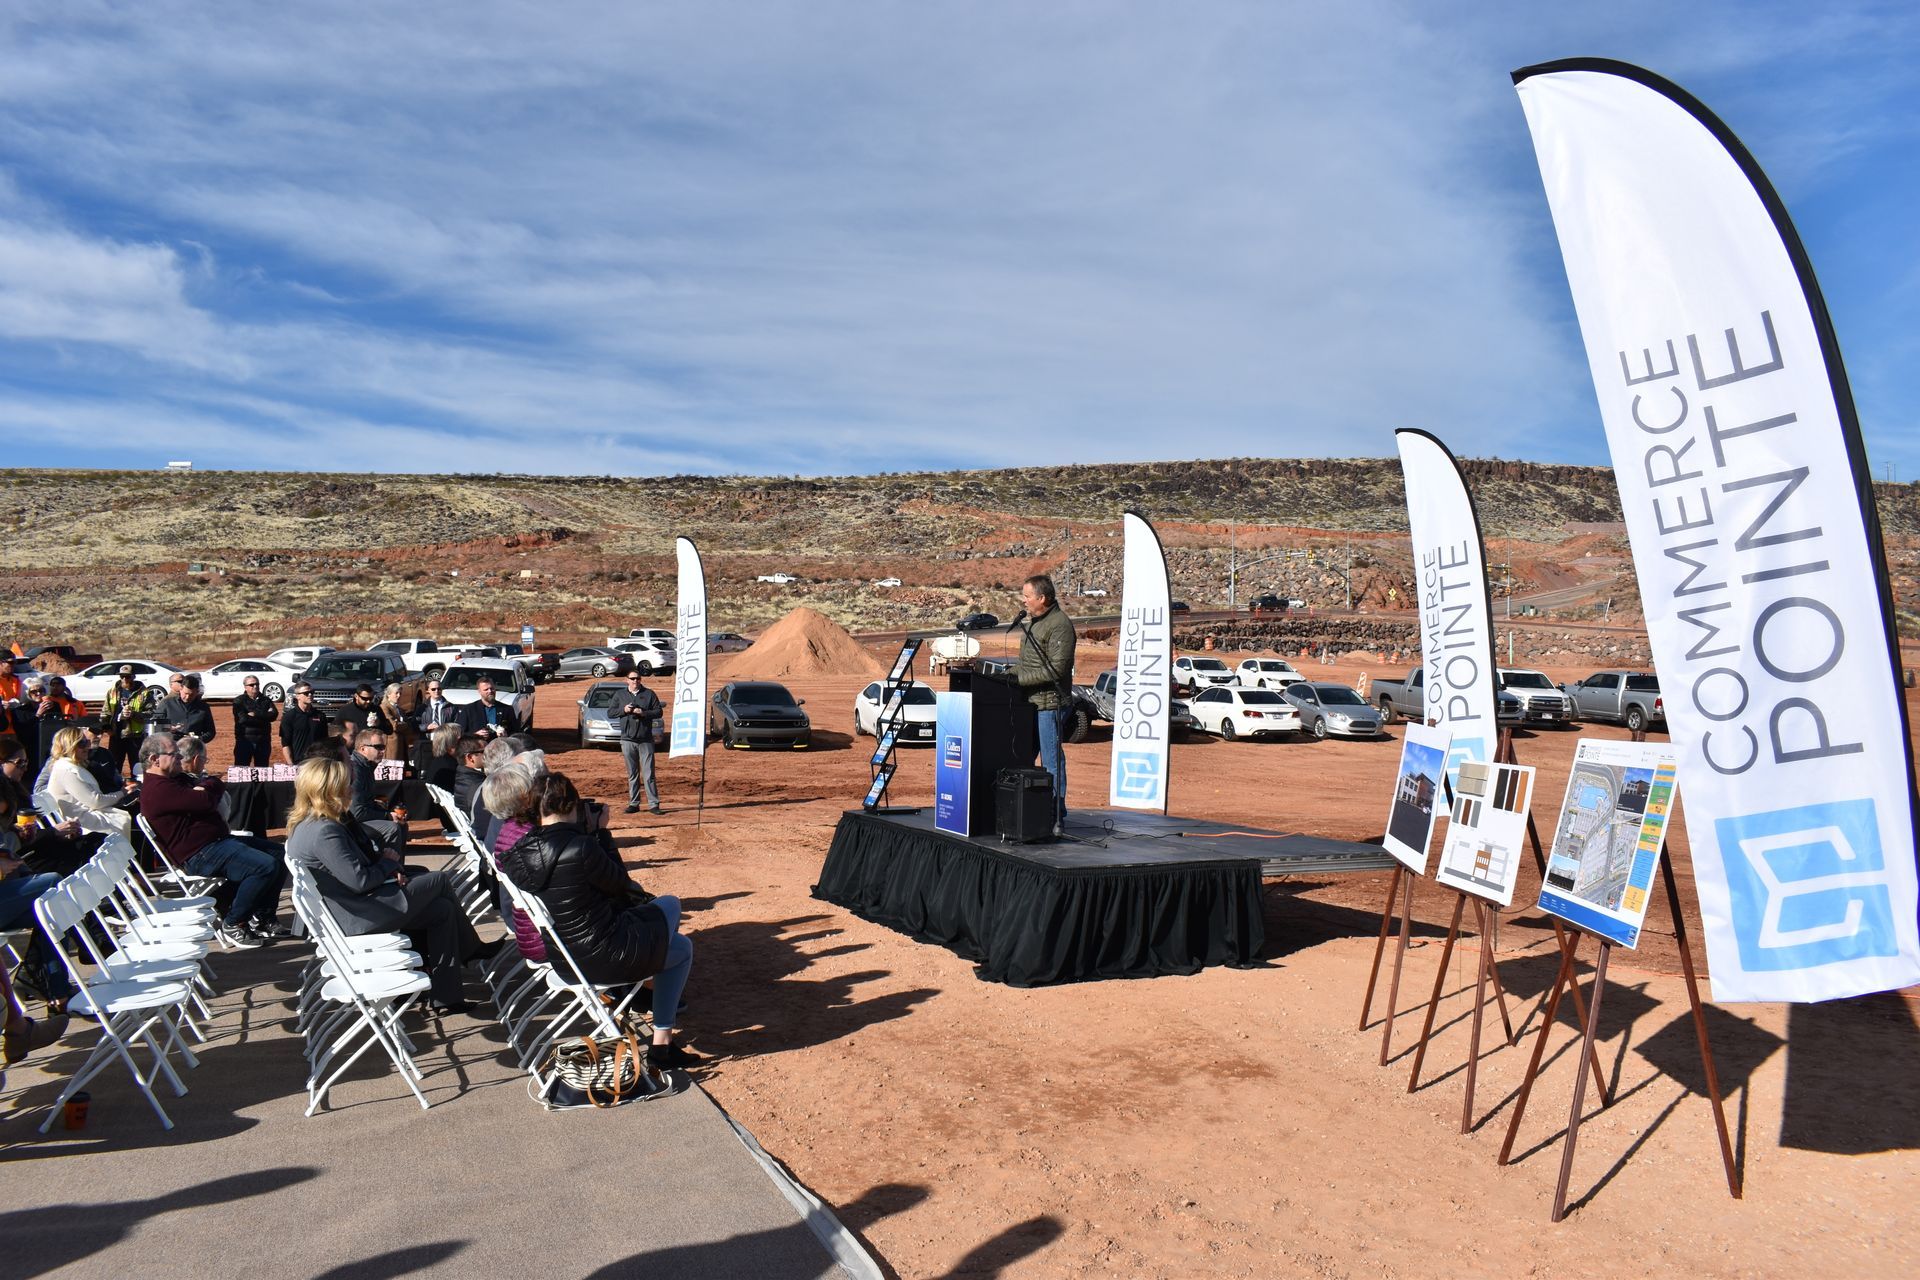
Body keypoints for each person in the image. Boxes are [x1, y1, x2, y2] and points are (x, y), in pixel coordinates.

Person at [497, 773, 696, 1069]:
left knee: (680, 947)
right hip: (604, 957)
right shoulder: (581, 847)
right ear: (572, 805)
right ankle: (648, 994)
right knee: (671, 905)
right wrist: (601, 834)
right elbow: (622, 885)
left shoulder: (519, 855)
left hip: (564, 960)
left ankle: (662, 1043)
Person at [286, 757, 497, 1013]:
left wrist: (386, 867)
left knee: (442, 910)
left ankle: (447, 997)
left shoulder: (307, 825)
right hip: (358, 915)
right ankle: (471, 949)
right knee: (439, 880)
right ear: (331, 790)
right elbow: (360, 881)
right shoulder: (324, 831)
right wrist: (387, 863)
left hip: (351, 908)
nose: (351, 788)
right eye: (346, 784)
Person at [137, 731, 287, 948]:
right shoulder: (158, 790)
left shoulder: (175, 779)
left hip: (216, 842)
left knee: (279, 854)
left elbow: (214, 783)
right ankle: (234, 922)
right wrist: (206, 789)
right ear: (154, 759)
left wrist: (207, 787)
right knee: (264, 866)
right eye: (174, 755)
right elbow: (206, 800)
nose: (180, 758)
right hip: (199, 854)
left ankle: (263, 917)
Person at [1013, 573, 1077, 836]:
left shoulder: (1060, 625)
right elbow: (1028, 664)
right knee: (1024, 758)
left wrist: (1020, 679)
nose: (1024, 600)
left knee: (1051, 760)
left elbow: (1056, 669)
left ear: (1042, 598)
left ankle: (1055, 813)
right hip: (1031, 702)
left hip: (1051, 704)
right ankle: (1031, 807)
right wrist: (1006, 675)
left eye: (1027, 596)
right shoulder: (1035, 623)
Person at [45, 725, 134, 840]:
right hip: (82, 822)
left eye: (87, 742)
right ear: (69, 746)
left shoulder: (74, 766)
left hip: (89, 814)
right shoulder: (66, 770)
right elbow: (95, 801)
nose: (88, 746)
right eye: (82, 744)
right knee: (129, 817)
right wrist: (122, 793)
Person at [348, 727, 408, 853]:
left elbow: (366, 804)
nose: (383, 751)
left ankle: (395, 864)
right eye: (378, 747)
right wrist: (388, 816)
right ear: (363, 749)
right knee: (392, 828)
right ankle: (389, 864)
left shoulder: (366, 766)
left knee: (401, 824)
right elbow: (357, 812)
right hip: (350, 824)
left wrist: (391, 813)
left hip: (359, 820)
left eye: (384, 747)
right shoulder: (356, 770)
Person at [615, 669, 665, 815]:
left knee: (649, 774)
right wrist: (624, 710)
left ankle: (653, 804)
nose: (635, 681)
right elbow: (610, 712)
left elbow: (659, 712)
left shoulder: (649, 694)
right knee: (633, 774)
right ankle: (634, 803)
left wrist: (643, 713)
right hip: (627, 740)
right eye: (632, 679)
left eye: (638, 678)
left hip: (645, 740)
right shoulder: (620, 695)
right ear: (627, 680)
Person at [102, 666, 161, 781]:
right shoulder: (112, 691)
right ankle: (116, 787)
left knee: (137, 767)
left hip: (135, 736)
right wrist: (107, 728)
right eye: (122, 676)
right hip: (116, 734)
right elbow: (105, 712)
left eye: (127, 676)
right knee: (114, 766)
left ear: (133, 676)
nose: (124, 679)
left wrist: (134, 714)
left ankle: (139, 789)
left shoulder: (144, 693)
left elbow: (151, 713)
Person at [231, 675, 278, 768]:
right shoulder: (239, 701)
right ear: (245, 687)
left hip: (263, 741)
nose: (255, 686)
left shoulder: (266, 700)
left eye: (257, 684)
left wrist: (256, 714)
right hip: (245, 741)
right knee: (242, 770)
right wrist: (265, 717)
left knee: (262, 771)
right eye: (252, 685)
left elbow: (274, 715)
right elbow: (243, 719)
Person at [156, 673, 216, 743]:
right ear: (180, 689)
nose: (187, 697)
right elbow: (154, 725)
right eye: (185, 693)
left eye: (191, 694)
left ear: (197, 692)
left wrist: (199, 739)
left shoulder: (203, 707)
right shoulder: (167, 704)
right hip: (171, 745)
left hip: (194, 746)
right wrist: (167, 728)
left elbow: (210, 732)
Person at [279, 683, 330, 764]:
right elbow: (286, 744)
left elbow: (325, 741)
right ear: (297, 696)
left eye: (312, 692)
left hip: (316, 762)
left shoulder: (320, 716)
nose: (310, 695)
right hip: (298, 762)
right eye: (306, 693)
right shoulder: (289, 717)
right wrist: (291, 764)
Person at [454, 678, 522, 737]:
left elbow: (516, 733)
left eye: (492, 688)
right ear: (479, 691)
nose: (490, 691)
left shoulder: (507, 709)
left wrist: (506, 735)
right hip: (476, 746)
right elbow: (458, 733)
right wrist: (475, 735)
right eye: (486, 689)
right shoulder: (469, 709)